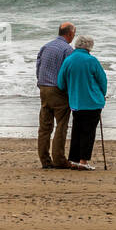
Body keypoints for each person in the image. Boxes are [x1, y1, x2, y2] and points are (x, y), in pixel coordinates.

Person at [58, 33, 108, 170]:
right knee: (89, 132)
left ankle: (74, 160)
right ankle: (83, 161)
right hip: (93, 102)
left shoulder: (68, 60)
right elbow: (102, 80)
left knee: (77, 130)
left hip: (76, 102)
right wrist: (103, 94)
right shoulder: (92, 61)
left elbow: (61, 82)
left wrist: (70, 90)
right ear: (90, 46)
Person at [35, 22, 76, 169]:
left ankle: (45, 160)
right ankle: (59, 159)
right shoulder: (68, 50)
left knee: (45, 127)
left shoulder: (46, 46)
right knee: (61, 125)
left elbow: (38, 66)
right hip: (58, 90)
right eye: (74, 33)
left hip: (44, 88)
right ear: (70, 34)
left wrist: (41, 83)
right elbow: (69, 73)